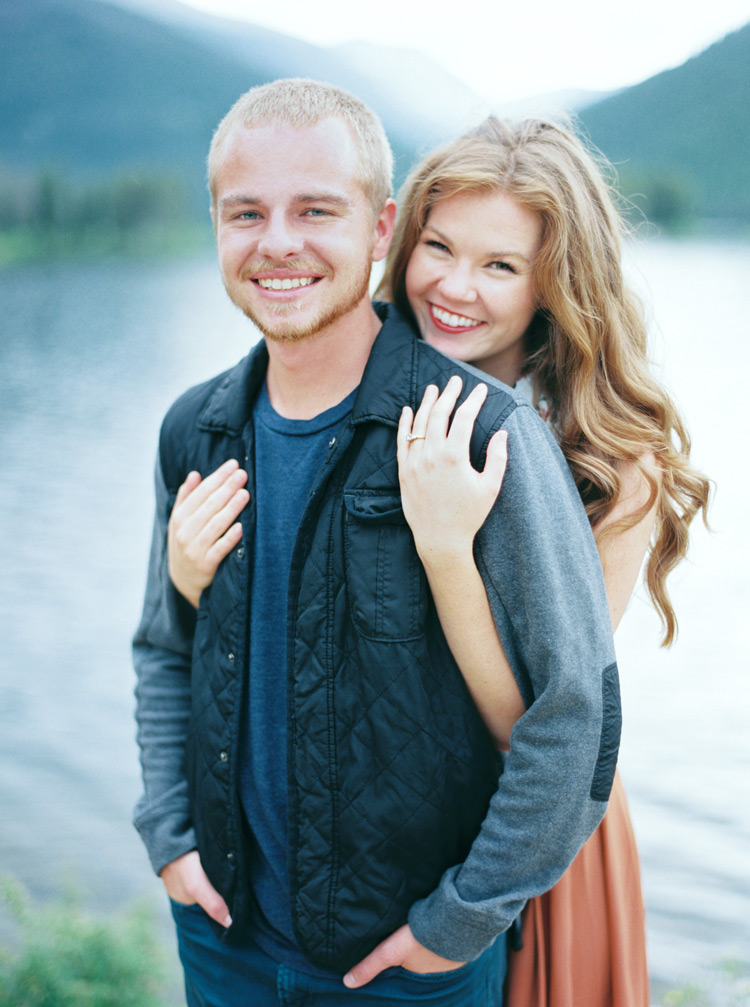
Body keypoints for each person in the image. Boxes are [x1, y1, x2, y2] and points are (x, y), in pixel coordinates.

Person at [133, 80, 621, 1007]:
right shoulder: (193, 429)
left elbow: (575, 720)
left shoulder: (482, 435)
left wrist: (458, 924)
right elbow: (164, 647)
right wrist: (169, 836)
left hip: (406, 971)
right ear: (217, 226)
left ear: (380, 227)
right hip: (223, 941)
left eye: (316, 210)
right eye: (247, 213)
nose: (278, 241)